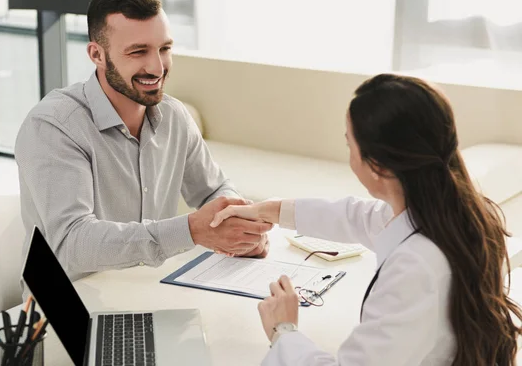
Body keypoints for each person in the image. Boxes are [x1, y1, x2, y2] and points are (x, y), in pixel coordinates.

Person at [210, 74, 522, 365]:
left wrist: (283, 330)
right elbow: (358, 217)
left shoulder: (414, 267)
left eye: (350, 144)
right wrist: (270, 210)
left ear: (378, 166)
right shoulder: (457, 213)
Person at [15, 0, 271, 285]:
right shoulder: (54, 127)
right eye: (138, 52)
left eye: (164, 49)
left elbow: (213, 190)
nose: (157, 67)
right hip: (74, 305)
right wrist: (191, 230)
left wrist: (239, 225)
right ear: (97, 54)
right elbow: (72, 243)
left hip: (152, 287)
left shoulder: (175, 117)